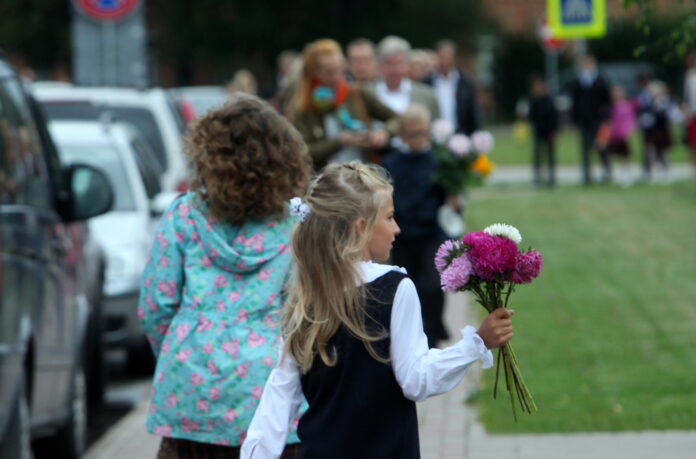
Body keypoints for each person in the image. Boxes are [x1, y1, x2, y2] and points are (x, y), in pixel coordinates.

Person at [240, 161, 515, 458]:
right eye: (389, 217)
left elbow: (277, 400)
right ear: (361, 227)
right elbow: (416, 380)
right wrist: (477, 343)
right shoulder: (395, 289)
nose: (397, 228)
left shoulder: (305, 297)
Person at [138, 94, 312, 458]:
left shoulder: (184, 214)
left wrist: (176, 351)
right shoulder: (296, 224)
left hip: (190, 384)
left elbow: (157, 305)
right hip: (269, 387)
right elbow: (309, 310)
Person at [381, 104, 451, 347]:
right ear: (401, 135)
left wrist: (454, 199)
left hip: (432, 231)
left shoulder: (440, 161)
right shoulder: (391, 163)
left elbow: (449, 197)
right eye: (412, 134)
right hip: (403, 234)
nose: (418, 139)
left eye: (422, 133)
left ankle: (433, 333)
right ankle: (413, 337)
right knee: (407, 286)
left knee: (433, 284)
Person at [291, 38, 396, 169]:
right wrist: (340, 141)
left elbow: (397, 119)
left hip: (362, 178)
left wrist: (384, 133)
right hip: (323, 183)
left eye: (339, 69)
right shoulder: (303, 106)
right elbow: (300, 153)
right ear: (315, 72)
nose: (336, 77)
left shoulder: (355, 93)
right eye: (329, 72)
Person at [364, 35, 441, 119]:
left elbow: (436, 126)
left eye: (399, 63)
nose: (395, 70)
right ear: (379, 66)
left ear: (408, 64)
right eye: (389, 63)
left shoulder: (427, 95)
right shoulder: (366, 93)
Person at [570, 54, 611, 184]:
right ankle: (587, 175)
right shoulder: (579, 82)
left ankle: (606, 172)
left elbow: (607, 101)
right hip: (584, 120)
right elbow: (575, 103)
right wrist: (574, 120)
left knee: (601, 147)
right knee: (585, 148)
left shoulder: (600, 81)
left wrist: (606, 118)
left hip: (598, 120)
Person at [424, 39, 480, 135]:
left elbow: (472, 111)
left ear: (454, 59)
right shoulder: (427, 82)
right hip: (433, 134)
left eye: (448, 57)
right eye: (442, 57)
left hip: (460, 134)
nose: (445, 61)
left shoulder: (465, 82)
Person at [527, 75, 559, 187]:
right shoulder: (534, 100)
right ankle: (537, 177)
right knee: (537, 155)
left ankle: (551, 177)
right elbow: (531, 116)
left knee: (550, 155)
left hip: (549, 131)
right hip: (538, 131)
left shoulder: (549, 100)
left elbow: (554, 117)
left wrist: (554, 131)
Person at [605, 85, 636, 185]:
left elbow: (630, 120)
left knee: (625, 155)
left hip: (623, 134)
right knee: (610, 154)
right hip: (613, 134)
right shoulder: (611, 106)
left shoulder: (626, 105)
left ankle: (626, 174)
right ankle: (610, 174)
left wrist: (629, 131)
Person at [683, 48, 696, 176]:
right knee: (693, 142)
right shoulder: (689, 76)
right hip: (693, 113)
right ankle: (693, 168)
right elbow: (687, 96)